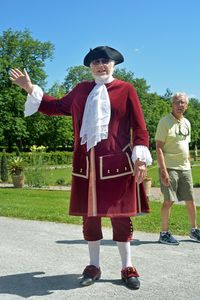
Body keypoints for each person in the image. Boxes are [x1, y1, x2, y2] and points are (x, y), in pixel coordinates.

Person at [9, 46, 152, 289]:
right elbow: (54, 107)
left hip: (117, 165)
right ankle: (93, 266)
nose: (100, 65)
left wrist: (140, 157)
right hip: (87, 167)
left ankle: (128, 266)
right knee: (90, 218)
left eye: (105, 61)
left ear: (112, 64)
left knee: (121, 218)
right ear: (90, 67)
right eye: (95, 62)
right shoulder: (81, 90)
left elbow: (139, 126)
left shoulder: (126, 89)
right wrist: (29, 88)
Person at [155, 92, 200, 245]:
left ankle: (194, 230)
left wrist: (188, 161)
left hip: (185, 168)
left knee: (190, 200)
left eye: (183, 103)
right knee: (169, 201)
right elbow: (159, 148)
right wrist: (163, 171)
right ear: (172, 104)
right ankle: (164, 233)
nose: (180, 105)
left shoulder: (187, 122)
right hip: (169, 167)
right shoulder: (165, 122)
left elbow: (185, 145)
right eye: (177, 102)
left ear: (186, 105)